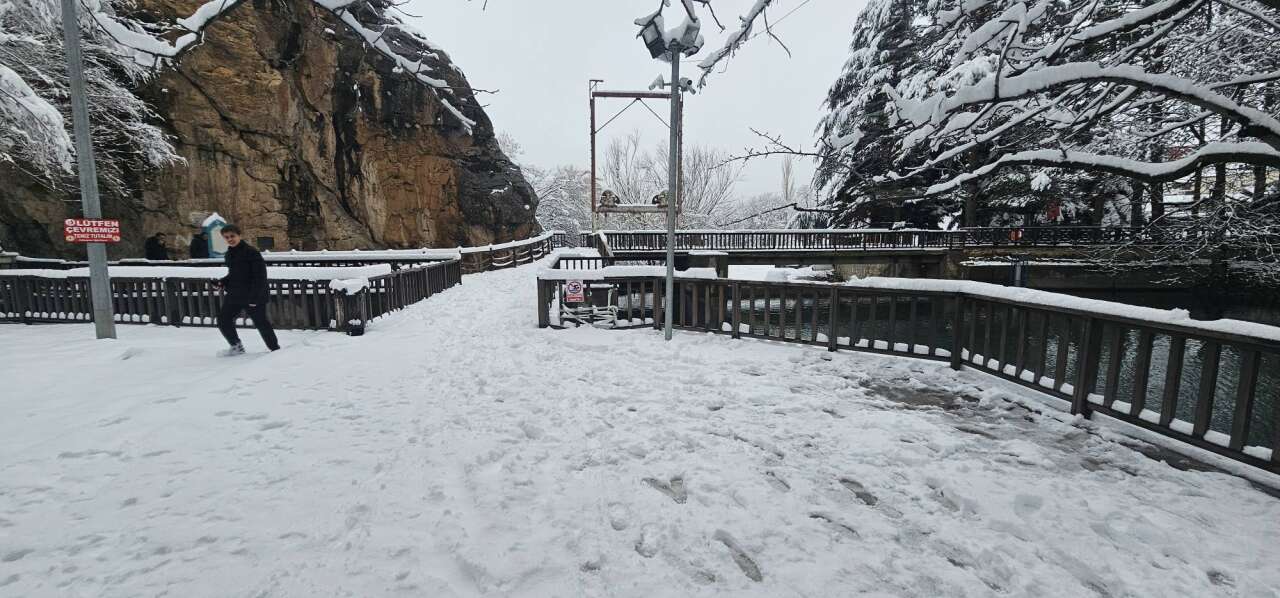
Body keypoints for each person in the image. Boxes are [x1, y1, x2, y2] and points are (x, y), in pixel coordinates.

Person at [215, 225, 279, 355]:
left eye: (232, 236)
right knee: (223, 319)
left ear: (239, 235)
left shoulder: (251, 252)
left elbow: (260, 276)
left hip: (253, 295)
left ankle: (275, 349)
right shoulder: (229, 254)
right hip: (235, 294)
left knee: (261, 323)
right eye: (226, 237)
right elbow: (234, 274)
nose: (230, 239)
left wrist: (255, 297)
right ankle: (236, 346)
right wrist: (222, 282)